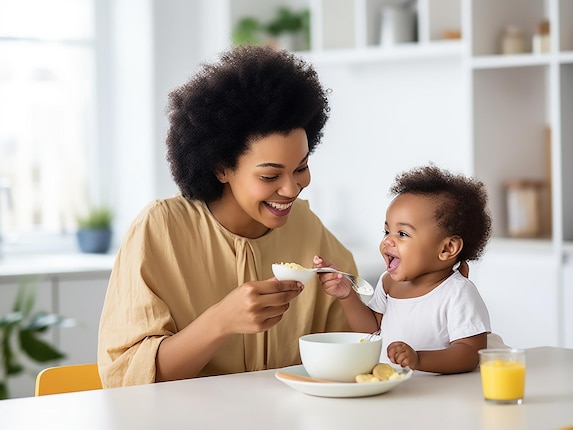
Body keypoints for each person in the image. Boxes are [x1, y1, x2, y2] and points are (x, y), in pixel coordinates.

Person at [97, 45, 358, 388]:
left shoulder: (307, 228)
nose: (292, 188)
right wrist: (221, 321)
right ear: (221, 168)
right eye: (269, 176)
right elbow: (125, 379)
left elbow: (361, 342)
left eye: (302, 167)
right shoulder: (160, 230)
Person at [316, 164, 494, 374]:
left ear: (447, 248)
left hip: (437, 395)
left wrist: (419, 359)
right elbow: (371, 330)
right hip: (392, 387)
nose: (387, 241)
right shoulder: (389, 283)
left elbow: (470, 354)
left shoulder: (457, 293)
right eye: (386, 231)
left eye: (402, 234)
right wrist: (347, 295)